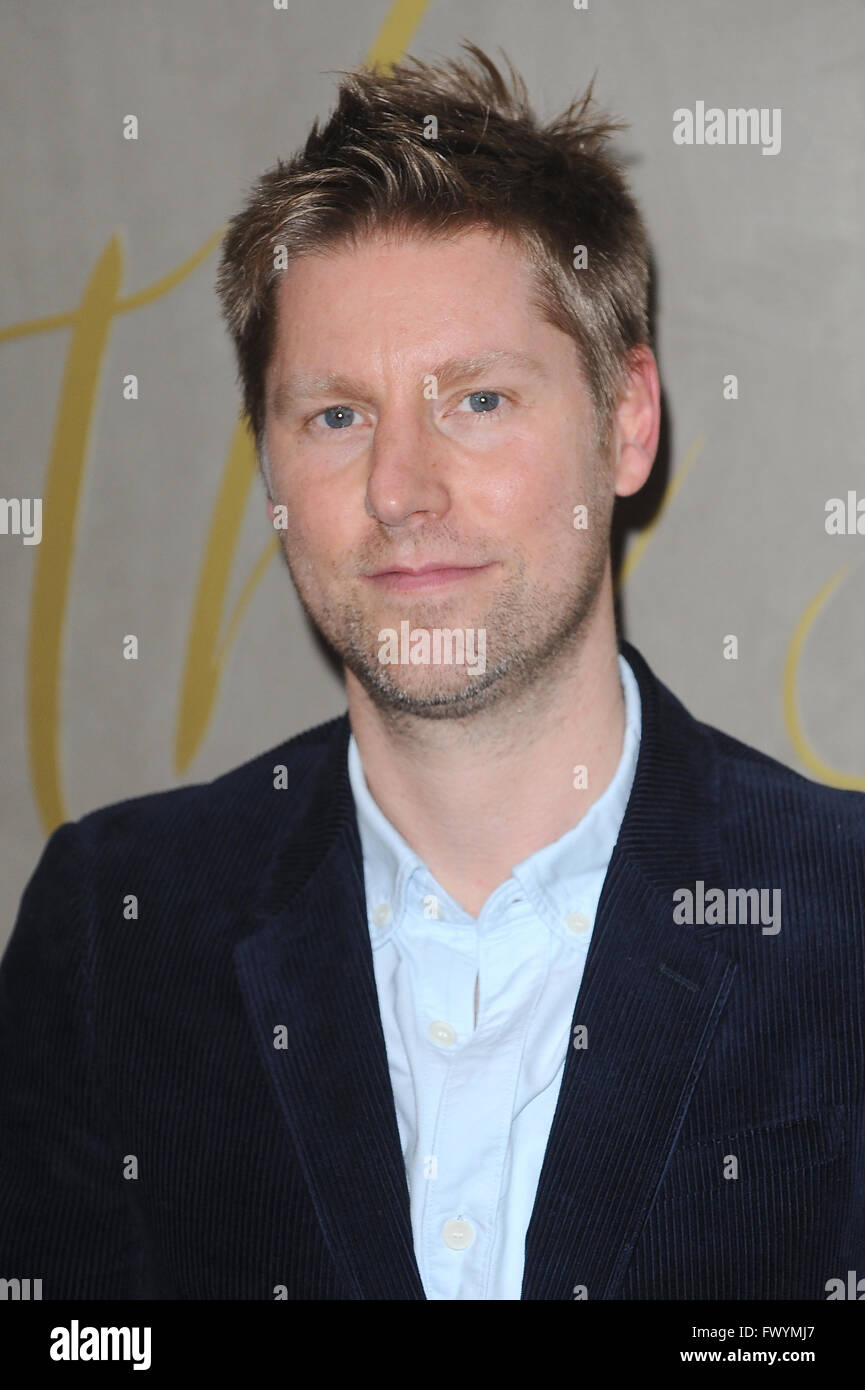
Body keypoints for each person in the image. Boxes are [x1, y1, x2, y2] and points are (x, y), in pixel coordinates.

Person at [1, 43, 863, 1302]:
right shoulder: (115, 931)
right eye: (336, 416)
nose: (400, 492)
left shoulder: (842, 924)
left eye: (478, 400)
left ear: (627, 423)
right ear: (271, 467)